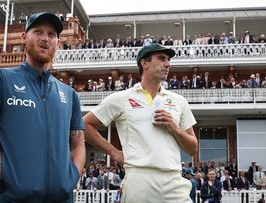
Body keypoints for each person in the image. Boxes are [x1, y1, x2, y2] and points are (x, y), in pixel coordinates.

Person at [0, 12, 85, 203]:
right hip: (9, 198)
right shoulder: (0, 78)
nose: (45, 39)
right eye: (38, 32)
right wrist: (10, 177)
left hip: (61, 198)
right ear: (24, 37)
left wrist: (71, 177)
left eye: (51, 34)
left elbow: (78, 143)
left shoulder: (69, 94)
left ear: (58, 42)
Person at [83, 43, 197, 203]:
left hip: (174, 181)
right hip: (139, 179)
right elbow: (85, 125)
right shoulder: (122, 98)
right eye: (162, 59)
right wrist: (115, 153)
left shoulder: (179, 101)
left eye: (168, 60)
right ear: (145, 63)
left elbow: (193, 148)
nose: (168, 64)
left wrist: (175, 129)